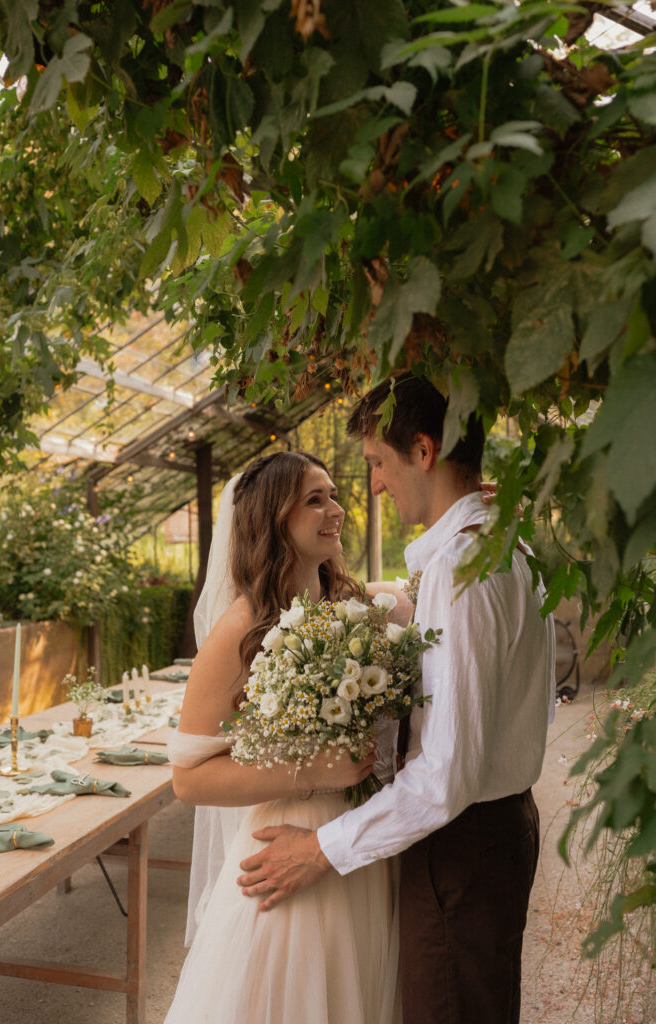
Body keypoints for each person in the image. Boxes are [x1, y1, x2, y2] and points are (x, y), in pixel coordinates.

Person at [237, 376, 556, 1024]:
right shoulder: (498, 542)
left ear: (423, 450)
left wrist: (321, 848)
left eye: (378, 463)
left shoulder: (465, 567)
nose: (374, 485)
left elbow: (446, 775)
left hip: (461, 849)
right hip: (487, 836)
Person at [165, 451, 402, 1024]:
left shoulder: (354, 606)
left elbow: (423, 595)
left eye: (334, 494)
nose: (337, 510)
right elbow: (188, 779)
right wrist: (315, 771)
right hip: (285, 848)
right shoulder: (239, 631)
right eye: (314, 500)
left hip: (356, 844)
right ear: (274, 519)